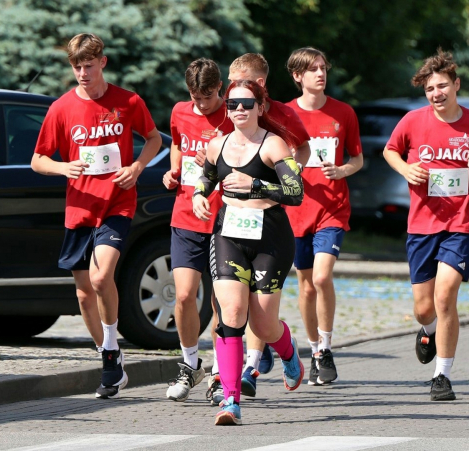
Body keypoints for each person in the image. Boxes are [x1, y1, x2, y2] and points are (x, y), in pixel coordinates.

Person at [31, 33, 161, 399]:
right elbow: (38, 160)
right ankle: (110, 356)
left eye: (89, 65)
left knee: (102, 276)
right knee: (84, 293)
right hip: (79, 208)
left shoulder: (128, 101)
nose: (83, 73)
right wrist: (63, 168)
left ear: (103, 62)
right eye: (76, 67)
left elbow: (153, 138)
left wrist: (136, 167)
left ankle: (109, 354)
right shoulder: (61, 108)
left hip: (117, 204)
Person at [384, 49, 469, 401]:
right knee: (424, 308)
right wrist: (406, 168)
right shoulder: (412, 121)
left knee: (445, 295)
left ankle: (443, 375)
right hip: (422, 223)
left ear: (456, 85)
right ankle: (427, 332)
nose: (436, 93)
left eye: (442, 86)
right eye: (430, 89)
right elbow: (391, 151)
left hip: (461, 223)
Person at [192, 79, 305, 425]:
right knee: (233, 311)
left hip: (270, 239)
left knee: (264, 324)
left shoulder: (273, 145)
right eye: (232, 104)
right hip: (228, 235)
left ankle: (288, 352)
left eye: (246, 104)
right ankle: (231, 401)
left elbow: (296, 191)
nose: (239, 110)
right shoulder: (217, 145)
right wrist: (199, 194)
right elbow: (207, 176)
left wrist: (255, 184)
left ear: (260, 107)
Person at [285, 47, 364, 386]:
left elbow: (357, 159)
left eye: (323, 68)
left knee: (320, 278)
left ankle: (326, 348)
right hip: (296, 210)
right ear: (297, 76)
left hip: (332, 208)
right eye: (313, 69)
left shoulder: (343, 112)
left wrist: (342, 169)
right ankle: (313, 348)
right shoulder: (284, 114)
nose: (320, 73)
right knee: (305, 287)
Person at [162, 59, 234, 402]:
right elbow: (178, 143)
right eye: (195, 96)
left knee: (222, 300)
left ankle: (221, 373)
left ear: (220, 88)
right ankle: (191, 365)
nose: (200, 104)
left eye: (207, 97)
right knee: (184, 295)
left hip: (225, 219)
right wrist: (173, 169)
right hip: (186, 215)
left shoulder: (235, 113)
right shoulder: (180, 111)